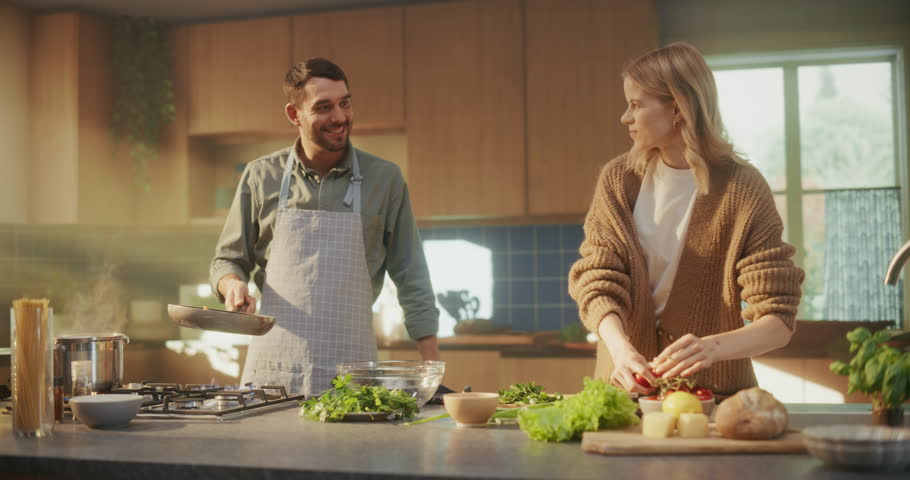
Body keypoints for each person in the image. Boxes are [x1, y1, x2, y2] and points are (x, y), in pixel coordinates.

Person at [568, 42, 804, 397]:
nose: (625, 118)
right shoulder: (619, 180)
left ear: (676, 107)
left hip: (715, 398)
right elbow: (597, 281)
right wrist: (621, 350)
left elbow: (778, 321)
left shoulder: (743, 188)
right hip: (624, 394)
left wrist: (712, 349)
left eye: (635, 104)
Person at [210, 58, 440, 395]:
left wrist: (431, 371)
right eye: (324, 107)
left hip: (353, 363)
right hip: (274, 367)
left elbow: (411, 273)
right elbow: (227, 261)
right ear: (294, 114)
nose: (340, 117)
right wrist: (232, 286)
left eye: (345, 103)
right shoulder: (261, 176)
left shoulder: (385, 179)